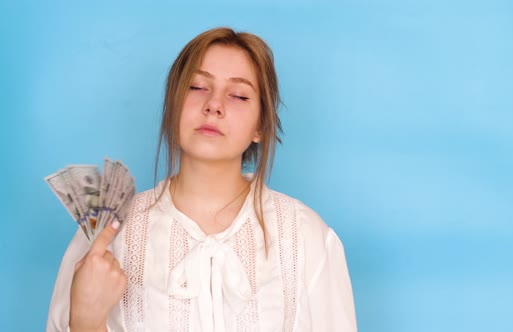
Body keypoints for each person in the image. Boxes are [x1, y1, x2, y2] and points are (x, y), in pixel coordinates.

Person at [47, 27, 357, 332]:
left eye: (238, 95)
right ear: (172, 107)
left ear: (260, 127)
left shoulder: (307, 238)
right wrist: (86, 321)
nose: (214, 105)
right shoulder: (105, 238)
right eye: (197, 87)